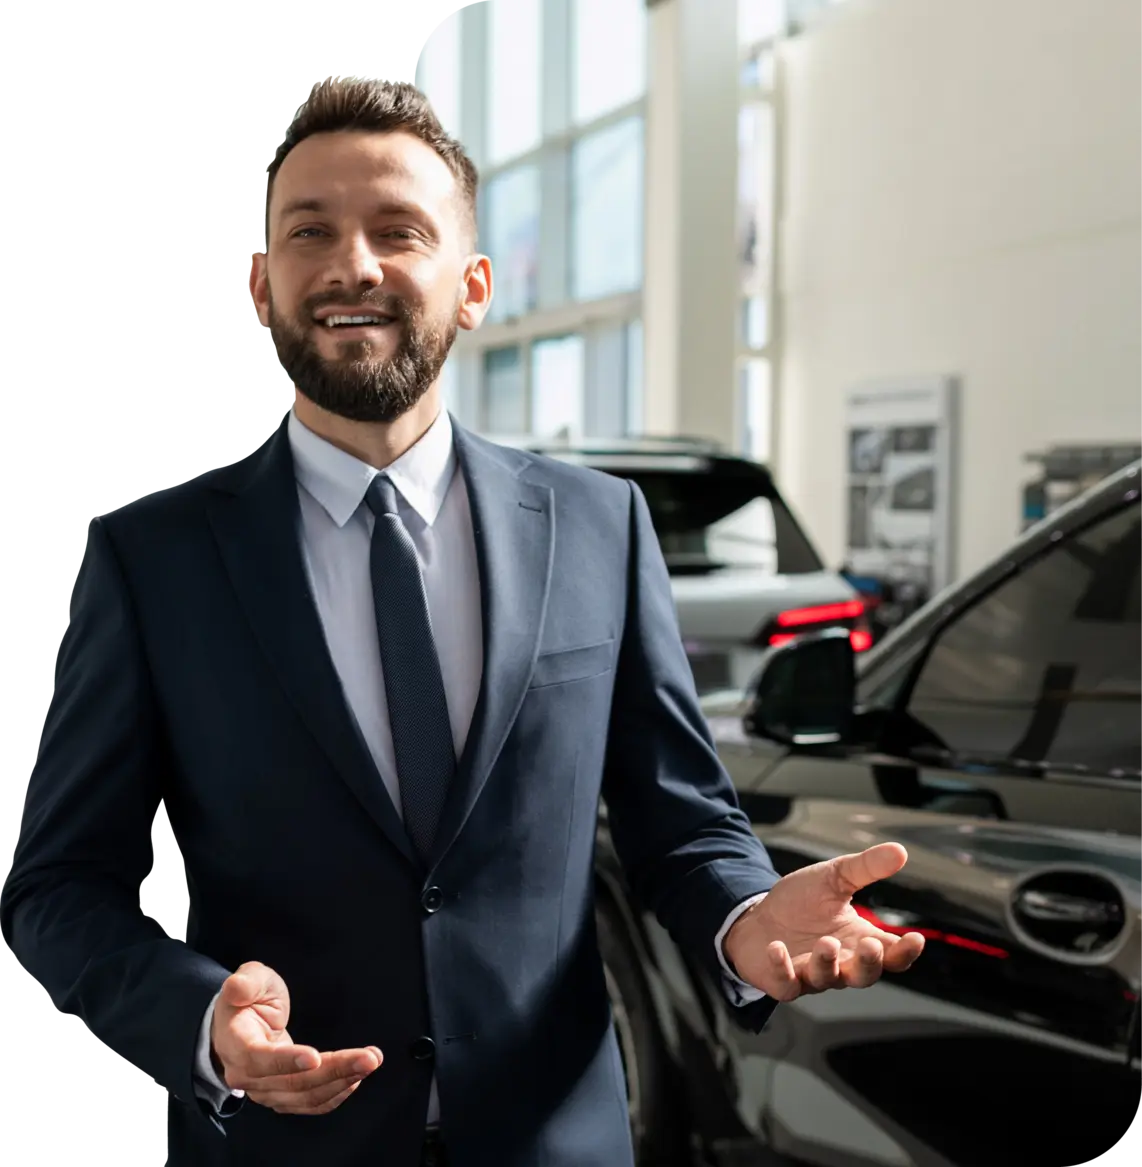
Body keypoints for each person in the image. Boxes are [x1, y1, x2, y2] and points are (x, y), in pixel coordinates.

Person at [0, 78, 924, 1167]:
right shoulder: (152, 559)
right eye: (311, 232)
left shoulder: (597, 527)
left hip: (552, 1140)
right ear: (259, 284)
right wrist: (198, 1018)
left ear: (472, 284)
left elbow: (679, 822)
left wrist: (745, 918)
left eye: (399, 230)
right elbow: (57, 889)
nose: (354, 265)